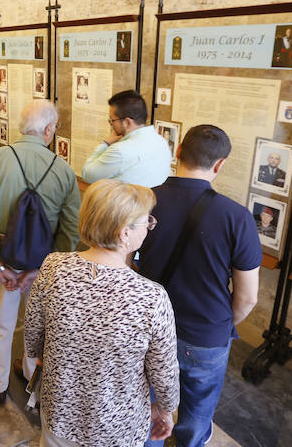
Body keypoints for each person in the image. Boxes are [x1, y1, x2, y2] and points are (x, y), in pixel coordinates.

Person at [25, 179, 179, 446]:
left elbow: (33, 337)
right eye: (146, 222)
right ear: (124, 233)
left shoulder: (52, 267)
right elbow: (163, 372)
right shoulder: (151, 298)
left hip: (59, 413)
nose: (149, 227)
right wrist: (166, 410)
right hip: (117, 428)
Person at [138, 125, 261, 447]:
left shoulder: (145, 200)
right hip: (204, 334)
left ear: (177, 152)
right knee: (197, 413)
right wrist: (220, 325)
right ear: (220, 165)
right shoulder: (237, 217)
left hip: (148, 326)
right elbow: (247, 297)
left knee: (145, 408)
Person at [0, 100, 81, 405]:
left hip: (5, 258)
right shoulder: (63, 170)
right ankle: (33, 379)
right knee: (40, 327)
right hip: (43, 263)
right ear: (48, 129)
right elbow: (71, 229)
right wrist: (46, 268)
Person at [81, 89, 171, 188]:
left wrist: (105, 143)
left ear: (127, 122)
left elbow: (87, 175)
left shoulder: (120, 150)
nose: (111, 124)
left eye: (112, 120)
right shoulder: (162, 142)